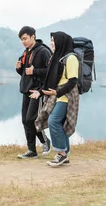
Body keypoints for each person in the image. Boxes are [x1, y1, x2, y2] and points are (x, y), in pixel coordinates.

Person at [31, 31, 80, 167]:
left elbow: (72, 82)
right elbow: (51, 78)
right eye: (51, 40)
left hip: (67, 96)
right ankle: (65, 154)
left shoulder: (71, 59)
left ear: (61, 42)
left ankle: (62, 154)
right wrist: (43, 92)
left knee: (53, 121)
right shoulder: (58, 58)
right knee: (59, 124)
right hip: (58, 95)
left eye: (53, 40)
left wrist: (57, 92)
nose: (51, 43)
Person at [15, 26, 52, 159]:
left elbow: (51, 71)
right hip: (26, 90)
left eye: (25, 38)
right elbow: (25, 73)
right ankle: (32, 150)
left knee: (31, 119)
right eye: (21, 39)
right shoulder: (26, 53)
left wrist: (35, 71)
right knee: (25, 120)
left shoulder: (43, 51)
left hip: (37, 91)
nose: (23, 41)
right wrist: (19, 68)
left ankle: (45, 141)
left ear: (33, 36)